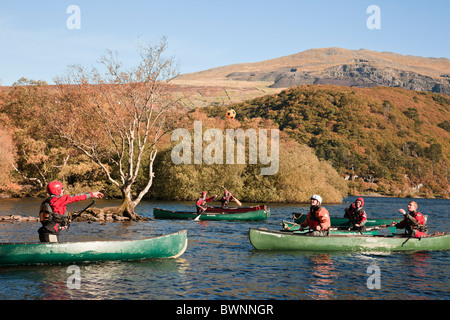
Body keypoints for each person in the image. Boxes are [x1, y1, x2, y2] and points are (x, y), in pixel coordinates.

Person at [38, 180, 104, 243]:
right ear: (57, 190)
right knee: (52, 253)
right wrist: (92, 194)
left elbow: (51, 218)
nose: (63, 190)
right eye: (62, 188)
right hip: (50, 233)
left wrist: (59, 226)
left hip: (45, 231)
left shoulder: (46, 201)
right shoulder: (60, 200)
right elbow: (76, 197)